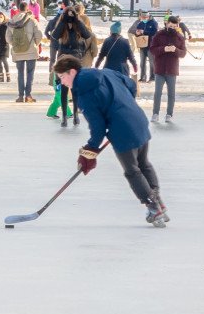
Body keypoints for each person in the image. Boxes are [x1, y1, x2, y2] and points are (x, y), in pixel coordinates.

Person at [53, 56, 168, 227]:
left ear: (72, 72)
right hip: (138, 119)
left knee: (132, 171)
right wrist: (123, 105)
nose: (62, 82)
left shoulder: (84, 95)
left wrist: (89, 151)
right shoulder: (105, 72)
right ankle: (159, 203)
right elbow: (130, 84)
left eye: (62, 77)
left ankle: (153, 208)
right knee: (144, 163)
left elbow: (98, 128)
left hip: (122, 131)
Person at [148, 16, 186, 123]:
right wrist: (164, 49)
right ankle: (155, 113)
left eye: (175, 26)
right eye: (171, 25)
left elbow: (183, 53)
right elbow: (152, 49)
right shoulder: (158, 35)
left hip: (172, 69)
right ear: (166, 23)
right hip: (160, 68)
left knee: (171, 94)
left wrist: (175, 50)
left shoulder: (179, 37)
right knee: (158, 92)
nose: (173, 27)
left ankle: (169, 114)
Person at [6, 7, 43, 102]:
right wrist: (34, 44)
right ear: (27, 9)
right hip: (31, 51)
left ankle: (20, 96)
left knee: (20, 73)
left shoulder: (12, 21)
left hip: (18, 52)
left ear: (18, 9)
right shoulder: (32, 20)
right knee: (30, 73)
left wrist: (15, 44)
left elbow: (8, 38)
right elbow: (39, 35)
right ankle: (28, 95)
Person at [130, 11, 159, 82]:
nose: (144, 19)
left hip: (151, 45)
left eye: (145, 17)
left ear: (148, 17)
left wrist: (144, 32)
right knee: (142, 62)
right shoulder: (140, 23)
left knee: (152, 62)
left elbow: (155, 33)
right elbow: (137, 33)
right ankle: (143, 77)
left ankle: (152, 77)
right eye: (142, 17)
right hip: (142, 45)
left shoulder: (154, 23)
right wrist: (137, 33)